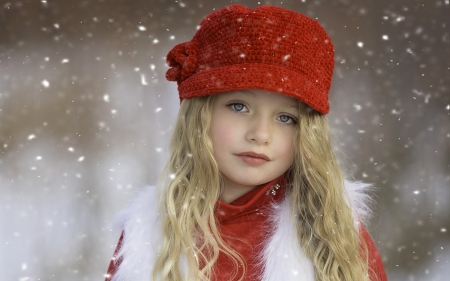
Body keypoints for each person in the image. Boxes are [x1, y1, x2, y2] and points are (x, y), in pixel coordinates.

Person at [105, 4, 387, 281]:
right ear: (200, 116)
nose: (261, 134)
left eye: (286, 118)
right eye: (239, 107)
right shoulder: (149, 231)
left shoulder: (333, 233)